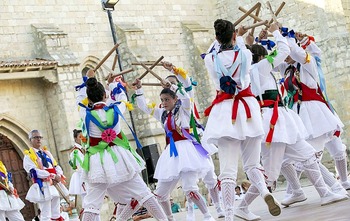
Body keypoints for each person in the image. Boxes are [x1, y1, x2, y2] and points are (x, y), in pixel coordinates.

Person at [202, 19, 281, 221]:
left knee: (227, 171)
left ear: (217, 37)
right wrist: (237, 36)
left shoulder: (210, 59)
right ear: (234, 36)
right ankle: (264, 192)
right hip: (248, 109)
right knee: (253, 164)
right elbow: (239, 48)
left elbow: (212, 49)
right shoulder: (245, 53)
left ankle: (229, 215)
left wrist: (229, 36)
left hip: (226, 113)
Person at [76, 70, 167, 221]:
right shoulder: (116, 109)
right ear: (105, 96)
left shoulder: (85, 113)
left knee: (92, 205)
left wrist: (87, 81)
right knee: (144, 194)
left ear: (89, 99)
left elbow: (79, 99)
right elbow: (122, 96)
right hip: (120, 158)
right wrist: (112, 84)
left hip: (98, 161)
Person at [278, 29, 349, 204]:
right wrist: (268, 40)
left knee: (330, 151)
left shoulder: (307, 63)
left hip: (315, 113)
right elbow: (271, 62)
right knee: (307, 155)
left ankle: (340, 184)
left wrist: (287, 37)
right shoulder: (286, 70)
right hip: (299, 113)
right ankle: (297, 190)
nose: (286, 56)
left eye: (288, 52)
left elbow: (300, 53)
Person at [132, 76, 216, 221]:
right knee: (160, 193)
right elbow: (145, 107)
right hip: (170, 155)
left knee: (190, 189)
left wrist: (173, 86)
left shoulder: (184, 110)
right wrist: (139, 89)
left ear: (175, 99)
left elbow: (185, 98)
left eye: (167, 99)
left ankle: (207, 216)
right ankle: (169, 218)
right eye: (162, 100)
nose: (164, 103)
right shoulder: (162, 114)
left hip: (186, 152)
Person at [162, 61, 225, 219]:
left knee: (210, 176)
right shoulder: (165, 110)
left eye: (174, 83)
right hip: (181, 145)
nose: (171, 85)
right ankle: (191, 208)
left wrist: (174, 71)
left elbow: (186, 84)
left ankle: (218, 207)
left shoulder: (185, 96)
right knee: (188, 180)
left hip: (196, 138)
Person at [23, 130, 69, 221]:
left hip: (53, 185)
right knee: (45, 214)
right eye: (36, 137)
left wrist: (59, 174)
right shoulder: (28, 156)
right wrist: (52, 175)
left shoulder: (47, 153)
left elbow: (56, 165)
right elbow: (34, 171)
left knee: (56, 212)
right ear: (30, 140)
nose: (39, 139)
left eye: (40, 137)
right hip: (43, 186)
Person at [68, 129, 87, 208]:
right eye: (80, 137)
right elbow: (81, 167)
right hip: (83, 177)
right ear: (75, 139)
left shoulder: (83, 149)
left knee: (90, 202)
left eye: (83, 136)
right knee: (87, 202)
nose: (82, 138)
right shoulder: (76, 152)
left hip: (85, 176)